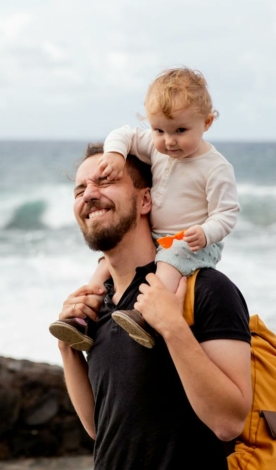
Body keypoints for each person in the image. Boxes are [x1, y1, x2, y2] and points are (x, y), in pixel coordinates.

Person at [56, 143, 251, 470]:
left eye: (105, 181)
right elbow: (100, 429)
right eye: (80, 189)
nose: (89, 195)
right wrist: (67, 350)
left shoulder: (205, 289)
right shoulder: (99, 304)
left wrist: (172, 327)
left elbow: (229, 421)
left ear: (145, 201)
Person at [49, 67, 240, 350]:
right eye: (159, 130)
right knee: (105, 265)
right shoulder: (156, 147)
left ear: (207, 122)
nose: (169, 141)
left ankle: (144, 317)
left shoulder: (215, 168)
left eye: (180, 130)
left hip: (192, 241)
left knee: (168, 261)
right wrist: (115, 154)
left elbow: (227, 213)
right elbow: (123, 134)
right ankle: (84, 318)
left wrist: (206, 231)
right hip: (159, 236)